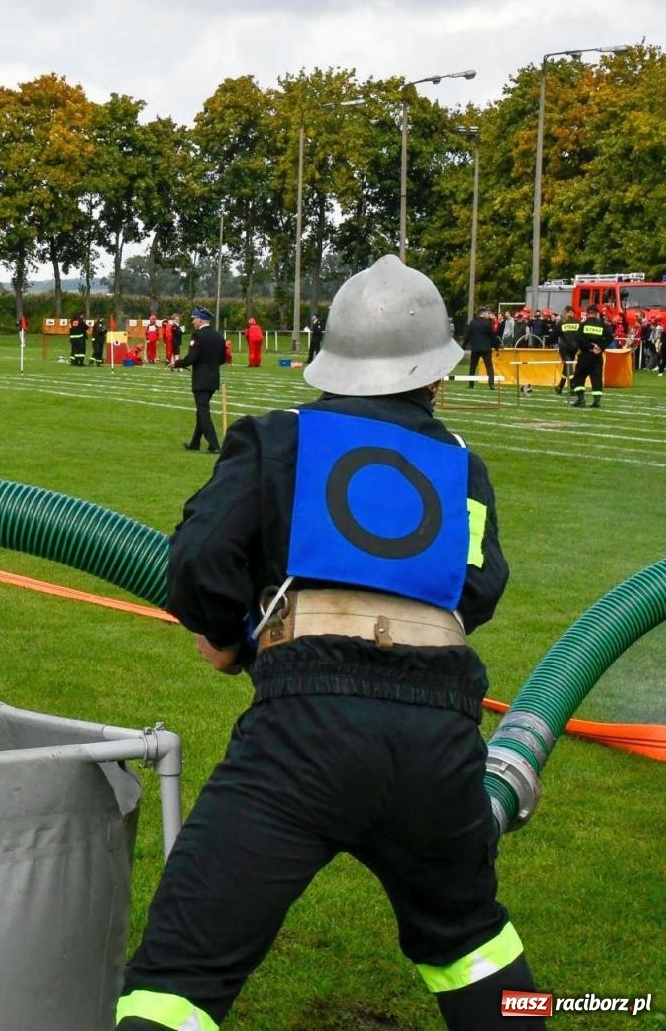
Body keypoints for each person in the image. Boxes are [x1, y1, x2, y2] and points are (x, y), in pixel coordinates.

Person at [119, 255, 535, 1031]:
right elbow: (477, 588)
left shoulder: (280, 439)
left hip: (305, 728)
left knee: (178, 977)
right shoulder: (460, 468)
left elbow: (203, 558)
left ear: (333, 363)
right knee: (470, 937)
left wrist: (228, 639)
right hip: (439, 735)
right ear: (434, 374)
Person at [170, 307, 227, 453]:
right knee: (201, 411)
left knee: (203, 412)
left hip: (201, 380)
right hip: (213, 379)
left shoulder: (198, 336)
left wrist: (176, 363)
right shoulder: (219, 336)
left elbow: (192, 358)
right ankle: (195, 443)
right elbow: (223, 358)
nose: (193, 321)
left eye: (194, 319)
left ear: (200, 319)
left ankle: (214, 445)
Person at [569, 308, 613, 408]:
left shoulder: (583, 325)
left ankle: (581, 399)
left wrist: (590, 347)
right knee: (597, 378)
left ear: (588, 314)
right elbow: (610, 338)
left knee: (579, 376)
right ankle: (597, 401)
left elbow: (578, 339)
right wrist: (600, 347)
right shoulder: (602, 325)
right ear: (597, 314)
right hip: (597, 357)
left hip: (585, 355)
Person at [464, 307, 500, 388]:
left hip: (475, 348)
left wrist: (464, 346)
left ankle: (471, 384)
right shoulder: (488, 323)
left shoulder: (472, 323)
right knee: (489, 366)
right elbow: (492, 336)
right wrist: (496, 347)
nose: (488, 315)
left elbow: (467, 335)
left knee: (473, 366)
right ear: (483, 314)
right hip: (486, 348)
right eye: (487, 313)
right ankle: (491, 384)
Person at [554, 307, 580, 394]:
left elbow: (555, 334)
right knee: (567, 366)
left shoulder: (562, 322)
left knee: (568, 365)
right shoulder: (578, 323)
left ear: (568, 312)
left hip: (564, 348)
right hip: (574, 348)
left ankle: (572, 386)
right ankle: (560, 386)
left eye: (564, 312)